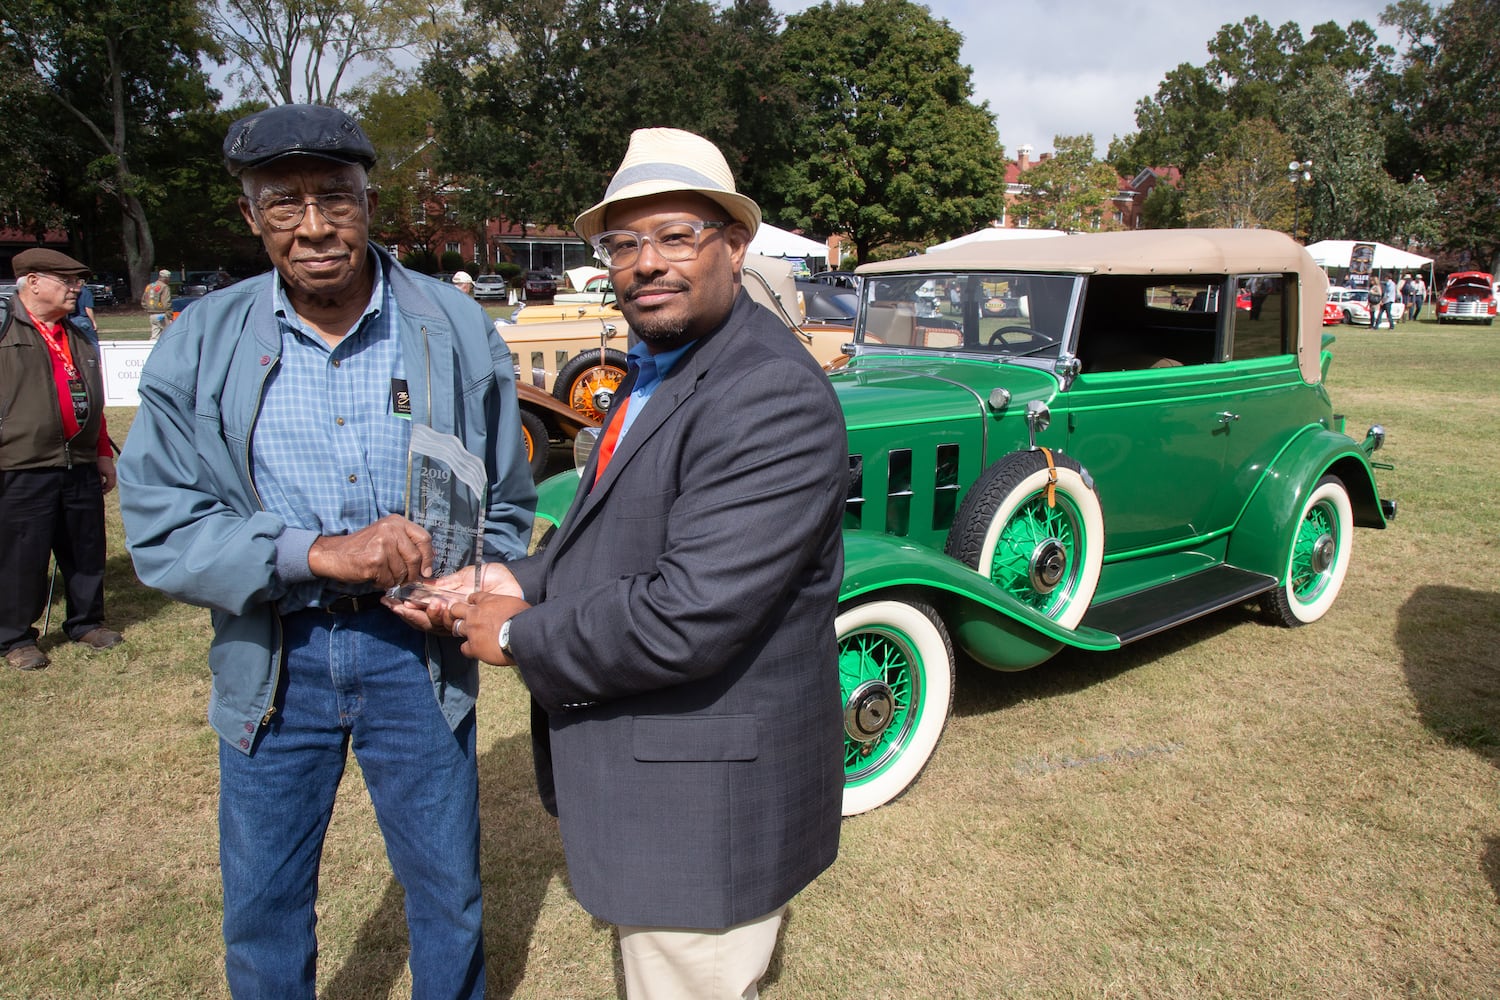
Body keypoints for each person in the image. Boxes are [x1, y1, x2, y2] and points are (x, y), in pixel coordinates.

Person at [396, 127, 848, 1000]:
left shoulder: (767, 394)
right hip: (669, 784)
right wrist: (509, 579)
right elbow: (616, 537)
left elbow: (689, 613)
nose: (646, 262)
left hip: (705, 799)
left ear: (736, 245)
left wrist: (522, 634)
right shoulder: (661, 369)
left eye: (676, 236)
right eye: (624, 242)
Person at [116, 103, 535, 999]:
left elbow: (506, 502)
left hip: (413, 660)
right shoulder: (199, 343)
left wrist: (465, 583)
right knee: (264, 905)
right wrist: (319, 554)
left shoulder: (455, 329)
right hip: (276, 657)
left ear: (368, 202)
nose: (313, 227)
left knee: (448, 894)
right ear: (248, 216)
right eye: (283, 204)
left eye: (334, 199)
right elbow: (162, 529)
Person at [0, 248, 123, 672]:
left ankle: (87, 622)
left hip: (80, 461)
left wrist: (102, 453)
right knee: (21, 554)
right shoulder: (4, 326)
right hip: (20, 463)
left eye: (78, 281)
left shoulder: (77, 334)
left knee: (86, 548)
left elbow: (93, 400)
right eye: (66, 280)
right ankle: (15, 636)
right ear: (32, 282)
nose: (77, 288)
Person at [140, 269, 172, 339]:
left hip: (152, 315)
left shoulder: (150, 286)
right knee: (168, 335)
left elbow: (143, 301)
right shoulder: (164, 287)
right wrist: (169, 314)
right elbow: (166, 302)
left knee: (155, 336)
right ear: (166, 278)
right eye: (169, 278)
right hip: (162, 315)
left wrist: (149, 309)